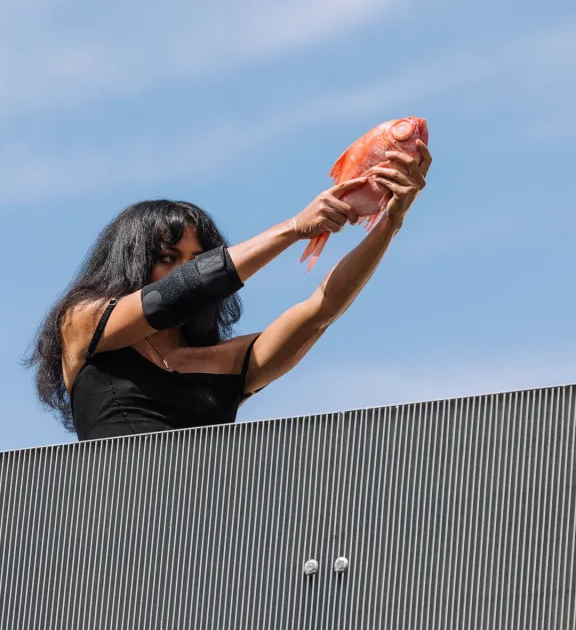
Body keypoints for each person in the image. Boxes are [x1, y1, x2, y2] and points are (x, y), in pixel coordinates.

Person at [27, 141, 431, 441]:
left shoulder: (230, 363)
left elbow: (321, 309)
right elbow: (175, 295)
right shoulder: (85, 324)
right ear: (129, 262)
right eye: (168, 257)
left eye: (197, 257)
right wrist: (295, 227)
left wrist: (391, 219)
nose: (184, 270)